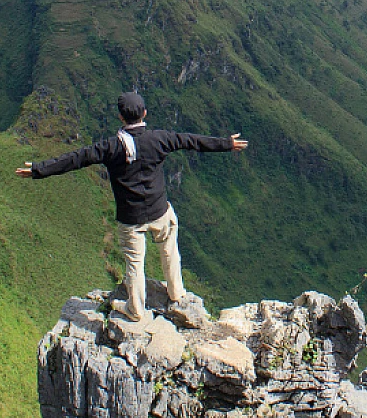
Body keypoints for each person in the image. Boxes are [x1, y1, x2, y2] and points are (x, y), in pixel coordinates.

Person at [16, 91, 247, 323]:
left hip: (131, 218)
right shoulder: (160, 138)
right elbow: (191, 141)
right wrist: (226, 143)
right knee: (169, 250)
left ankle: (135, 309)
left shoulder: (111, 147)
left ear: (120, 117)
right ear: (144, 113)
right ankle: (176, 292)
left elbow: (75, 159)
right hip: (160, 211)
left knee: (134, 265)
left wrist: (38, 169)